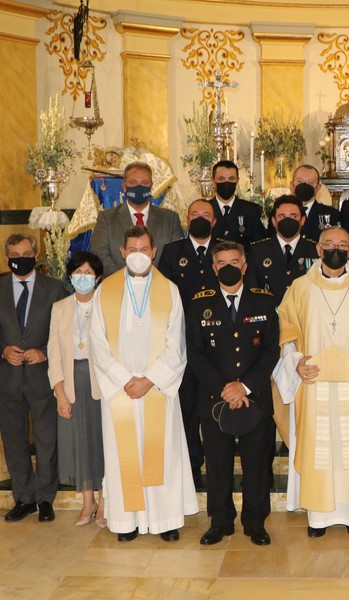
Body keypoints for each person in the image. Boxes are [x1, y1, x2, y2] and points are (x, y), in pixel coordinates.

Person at [274, 226, 349, 536]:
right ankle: (318, 518)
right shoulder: (299, 288)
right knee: (320, 446)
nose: (335, 248)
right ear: (318, 249)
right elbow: (286, 333)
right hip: (314, 385)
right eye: (329, 243)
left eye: (342, 244)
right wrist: (296, 363)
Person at [88, 225, 198, 542]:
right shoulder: (105, 291)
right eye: (132, 250)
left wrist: (149, 380)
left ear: (153, 251)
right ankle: (127, 522)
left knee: (161, 454)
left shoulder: (170, 290)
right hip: (120, 392)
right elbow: (98, 345)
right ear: (123, 253)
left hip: (157, 390)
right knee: (125, 457)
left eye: (144, 249)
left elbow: (177, 345)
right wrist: (126, 381)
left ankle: (165, 520)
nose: (138, 255)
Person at [185, 241, 281, 546]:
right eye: (221, 262)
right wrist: (224, 389)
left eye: (234, 261)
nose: (228, 267)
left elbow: (270, 351)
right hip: (215, 400)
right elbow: (195, 354)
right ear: (214, 268)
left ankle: (255, 522)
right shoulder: (200, 303)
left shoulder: (263, 302)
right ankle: (221, 521)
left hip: (254, 397)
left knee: (256, 464)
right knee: (217, 463)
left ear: (244, 265)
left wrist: (245, 386)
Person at [0, 234, 67, 523]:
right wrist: (2, 349)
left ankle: (45, 498)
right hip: (7, 378)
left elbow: (64, 332)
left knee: (47, 441)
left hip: (42, 377)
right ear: (7, 256)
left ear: (36, 255)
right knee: (14, 440)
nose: (21, 257)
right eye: (15, 253)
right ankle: (23, 498)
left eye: (26, 252)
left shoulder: (55, 289)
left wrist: (43, 352)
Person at [158, 199, 221, 485]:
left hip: (217, 345)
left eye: (206, 215)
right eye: (195, 214)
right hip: (182, 343)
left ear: (215, 221)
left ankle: (217, 465)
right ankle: (191, 468)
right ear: (186, 219)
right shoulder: (172, 252)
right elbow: (162, 298)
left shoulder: (224, 251)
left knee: (212, 408)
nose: (200, 219)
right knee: (186, 409)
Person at [48, 252, 106, 528]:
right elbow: (54, 353)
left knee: (103, 444)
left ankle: (105, 503)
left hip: (102, 384)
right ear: (70, 276)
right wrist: (60, 393)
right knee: (80, 444)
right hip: (72, 383)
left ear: (97, 277)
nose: (83, 277)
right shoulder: (60, 308)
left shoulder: (107, 304)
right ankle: (87, 503)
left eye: (88, 272)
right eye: (78, 272)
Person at [91, 161, 184, 275]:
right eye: (133, 182)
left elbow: (176, 256)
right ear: (124, 186)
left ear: (151, 186)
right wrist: (125, 280)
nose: (139, 187)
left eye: (144, 183)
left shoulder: (170, 219)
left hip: (159, 287)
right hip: (118, 286)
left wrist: (155, 281)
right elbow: (100, 254)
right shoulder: (106, 218)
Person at [246, 195, 319, 304]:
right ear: (274, 221)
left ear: (302, 220)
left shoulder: (316, 251)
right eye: (282, 216)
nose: (288, 221)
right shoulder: (257, 251)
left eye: (293, 216)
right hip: (270, 316)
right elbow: (251, 291)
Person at [266, 165, 342, 241]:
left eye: (310, 182)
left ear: (318, 188)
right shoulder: (278, 214)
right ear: (292, 185)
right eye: (300, 182)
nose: (304, 186)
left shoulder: (332, 215)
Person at [210, 160, 266, 246]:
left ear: (237, 181)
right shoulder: (205, 209)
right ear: (213, 181)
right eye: (221, 179)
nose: (226, 182)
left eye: (231, 179)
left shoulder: (251, 210)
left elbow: (260, 245)